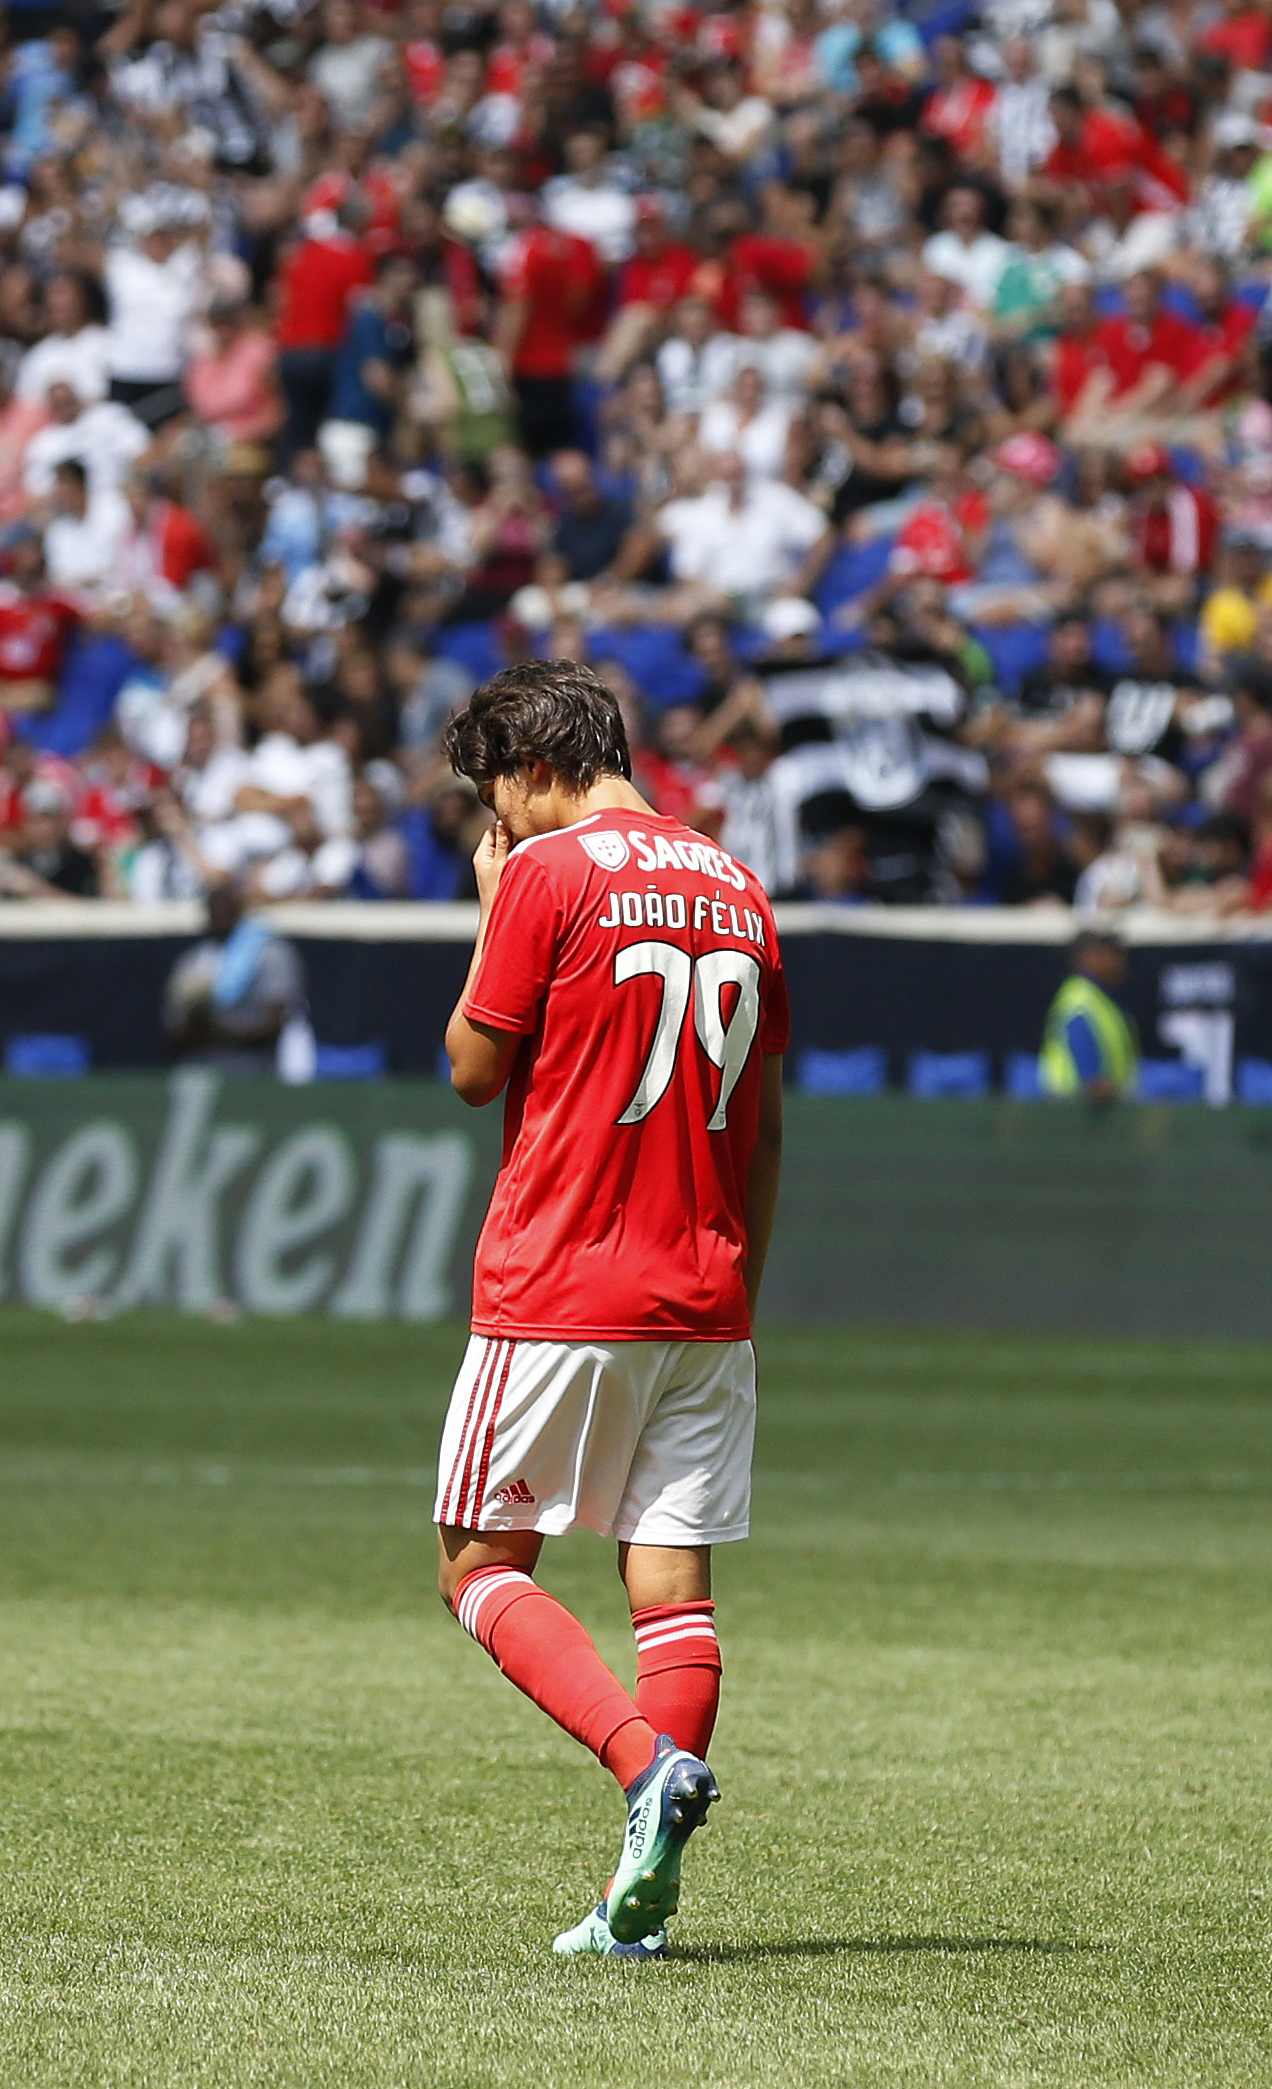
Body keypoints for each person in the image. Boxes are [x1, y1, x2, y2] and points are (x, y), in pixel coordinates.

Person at [432, 658, 789, 1960]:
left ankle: (644, 1767)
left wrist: (489, 906)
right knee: (670, 1580)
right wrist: (740, 1275)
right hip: (706, 1288)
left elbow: (473, 1071)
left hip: (561, 1277)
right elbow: (765, 1124)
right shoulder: (738, 885)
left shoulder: (543, 871)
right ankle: (644, 1892)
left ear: (535, 763)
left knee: (478, 1565)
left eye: (496, 799)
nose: (497, 829)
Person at [160, 877, 301, 1071]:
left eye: (227, 911)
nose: (221, 919)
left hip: (255, 1067)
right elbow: (176, 1029)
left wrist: (222, 1033)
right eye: (215, 912)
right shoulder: (194, 961)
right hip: (203, 1067)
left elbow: (276, 1022)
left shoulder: (269, 953)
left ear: (238, 912)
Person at [1039, 930, 1139, 1103]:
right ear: (1087, 957)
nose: (1119, 963)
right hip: (1076, 1105)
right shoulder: (1081, 998)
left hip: (1096, 1104)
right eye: (1110, 955)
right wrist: (1095, 1082)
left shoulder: (1100, 997)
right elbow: (1079, 1038)